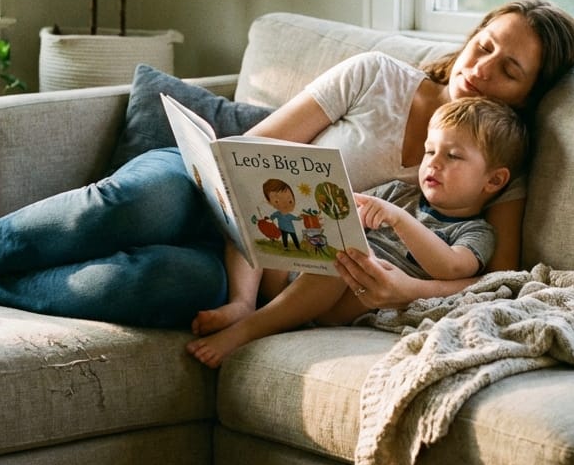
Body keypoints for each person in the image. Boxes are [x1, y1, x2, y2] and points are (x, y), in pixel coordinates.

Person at [0, 0, 574, 329]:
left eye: (510, 70)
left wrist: (404, 287)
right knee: (134, 206)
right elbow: (253, 148)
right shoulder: (376, 76)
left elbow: (500, 278)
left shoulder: (499, 164)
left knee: (156, 282)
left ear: (530, 96)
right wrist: (243, 194)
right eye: (485, 44)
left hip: (269, 269)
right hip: (216, 194)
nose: (482, 68)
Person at [186, 97, 524, 367]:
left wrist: (398, 221)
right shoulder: (397, 192)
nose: (434, 163)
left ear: (493, 181)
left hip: (346, 300)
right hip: (293, 275)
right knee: (255, 213)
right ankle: (242, 301)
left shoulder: (477, 232)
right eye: (430, 151)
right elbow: (345, 217)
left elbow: (452, 268)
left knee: (350, 257)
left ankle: (249, 328)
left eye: (453, 156)